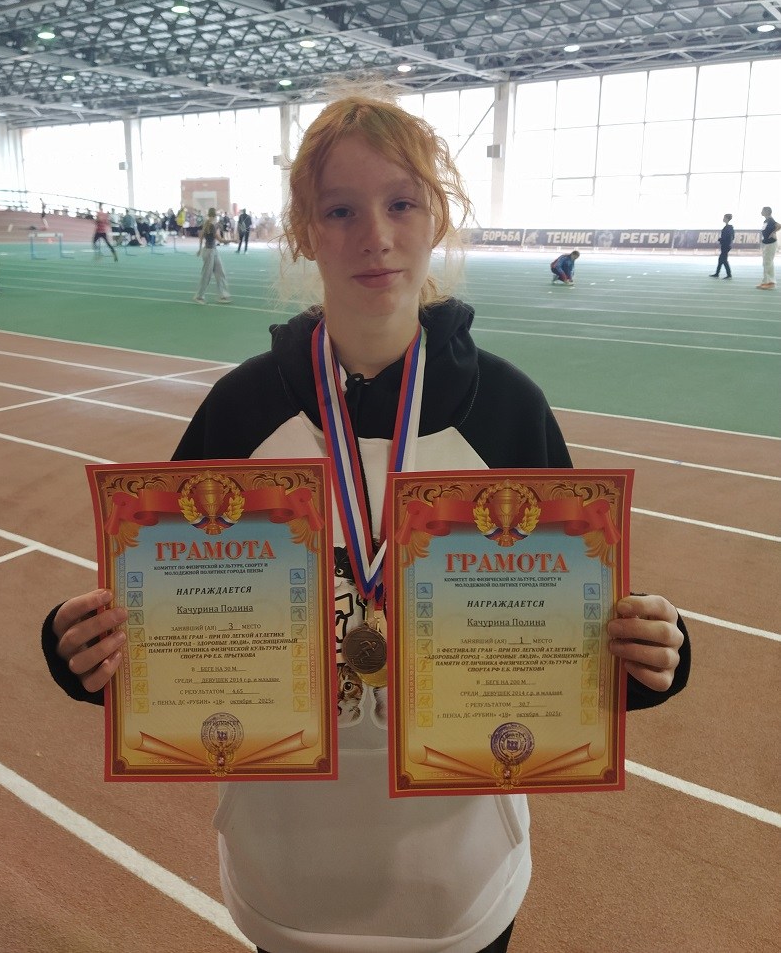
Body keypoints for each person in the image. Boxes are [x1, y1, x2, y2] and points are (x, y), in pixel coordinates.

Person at [42, 95, 689, 953]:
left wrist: (653, 656)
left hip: (461, 887)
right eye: (340, 210)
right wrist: (82, 653)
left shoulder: (507, 411)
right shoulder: (241, 411)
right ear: (305, 232)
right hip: (285, 884)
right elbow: (162, 629)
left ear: (437, 216)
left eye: (401, 203)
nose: (375, 236)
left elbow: (580, 633)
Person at [193, 206, 231, 304]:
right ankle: (199, 296)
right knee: (206, 275)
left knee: (220, 272)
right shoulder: (212, 225)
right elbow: (220, 240)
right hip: (209, 252)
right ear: (214, 215)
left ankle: (223, 295)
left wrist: (200, 249)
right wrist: (233, 240)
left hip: (213, 250)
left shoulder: (208, 224)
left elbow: (201, 237)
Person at [758, 205, 778, 290]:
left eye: (762, 210)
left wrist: (773, 233)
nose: (761, 212)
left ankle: (771, 283)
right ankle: (766, 282)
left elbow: (779, 225)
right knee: (766, 263)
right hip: (766, 243)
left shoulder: (771, 220)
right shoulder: (766, 221)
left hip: (771, 243)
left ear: (767, 211)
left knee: (768, 263)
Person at [709, 214, 734, 278]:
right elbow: (732, 237)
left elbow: (727, 238)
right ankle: (717, 273)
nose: (723, 219)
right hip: (726, 245)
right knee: (721, 260)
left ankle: (729, 274)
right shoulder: (729, 228)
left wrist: (720, 240)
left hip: (725, 246)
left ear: (727, 219)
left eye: (724, 218)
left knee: (724, 260)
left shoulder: (728, 228)